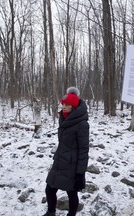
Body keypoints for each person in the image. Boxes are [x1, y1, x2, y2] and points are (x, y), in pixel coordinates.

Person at [43, 87, 89, 216]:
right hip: (59, 160)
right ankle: (51, 212)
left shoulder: (82, 124)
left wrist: (80, 173)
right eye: (63, 104)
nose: (63, 106)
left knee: (72, 193)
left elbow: (84, 149)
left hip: (72, 164)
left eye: (67, 104)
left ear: (73, 106)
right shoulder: (63, 118)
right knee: (49, 189)